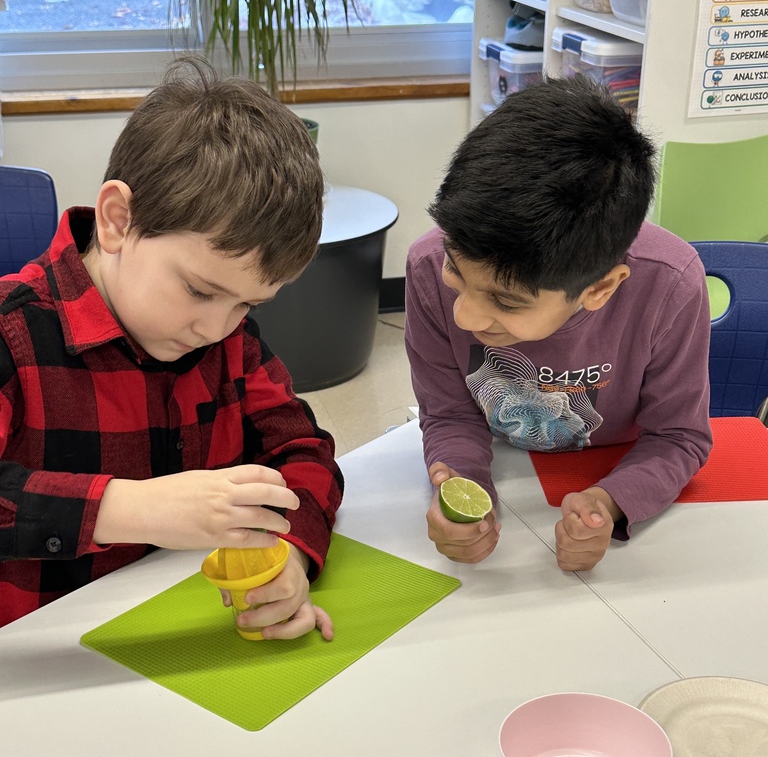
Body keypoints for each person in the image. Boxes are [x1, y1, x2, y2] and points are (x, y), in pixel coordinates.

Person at [0, 57, 343, 635]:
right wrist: (132, 509)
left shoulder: (228, 337)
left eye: (246, 304)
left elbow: (306, 450)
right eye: (199, 290)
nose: (216, 328)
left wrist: (293, 554)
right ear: (117, 221)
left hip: (173, 636)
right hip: (40, 660)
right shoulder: (12, 333)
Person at [405, 75, 712, 572]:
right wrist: (462, 486)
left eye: (506, 301)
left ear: (600, 289)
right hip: (509, 466)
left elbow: (679, 436)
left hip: (614, 463)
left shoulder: (670, 287)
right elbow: (450, 414)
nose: (465, 314)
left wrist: (609, 503)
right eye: (455, 271)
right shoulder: (425, 268)